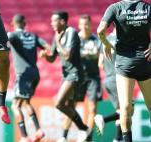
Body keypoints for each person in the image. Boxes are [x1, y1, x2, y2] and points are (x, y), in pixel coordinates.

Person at [97, 0, 151, 142]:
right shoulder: (148, 8)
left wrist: (105, 43)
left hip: (124, 64)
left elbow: (100, 31)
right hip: (145, 63)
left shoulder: (115, 8)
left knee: (125, 108)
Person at [40, 11, 91, 142]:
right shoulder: (57, 35)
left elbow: (68, 55)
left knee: (59, 103)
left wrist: (57, 42)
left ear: (62, 21)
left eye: (54, 21)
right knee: (68, 105)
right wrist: (46, 55)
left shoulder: (71, 33)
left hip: (75, 73)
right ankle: (82, 130)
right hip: (66, 74)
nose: (51, 24)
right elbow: (52, 58)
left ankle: (83, 128)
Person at [59, 14, 102, 142]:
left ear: (91, 25)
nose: (84, 27)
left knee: (93, 108)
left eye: (87, 24)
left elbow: (101, 59)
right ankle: (63, 136)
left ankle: (88, 137)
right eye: (82, 24)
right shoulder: (74, 39)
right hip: (78, 78)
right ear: (79, 25)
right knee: (71, 107)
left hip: (93, 78)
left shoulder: (97, 41)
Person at [8, 14, 49, 142]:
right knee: (25, 102)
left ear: (13, 24)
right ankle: (38, 130)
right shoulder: (33, 36)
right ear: (24, 24)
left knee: (15, 106)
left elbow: (2, 41)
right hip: (35, 74)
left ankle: (24, 137)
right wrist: (44, 53)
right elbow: (48, 47)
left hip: (22, 75)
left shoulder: (13, 35)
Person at [94, 29, 124, 142]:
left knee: (120, 110)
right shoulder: (122, 39)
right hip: (118, 79)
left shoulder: (105, 40)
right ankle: (103, 119)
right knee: (128, 109)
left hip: (108, 80)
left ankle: (118, 138)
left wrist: (109, 69)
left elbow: (100, 64)